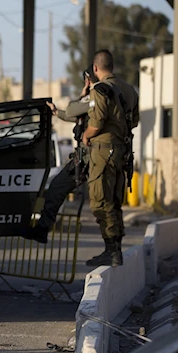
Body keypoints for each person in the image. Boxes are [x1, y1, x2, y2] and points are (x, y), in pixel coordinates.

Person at [22, 66, 98, 244]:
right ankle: (42, 229)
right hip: (91, 157)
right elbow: (76, 117)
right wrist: (56, 112)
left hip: (91, 157)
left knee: (59, 188)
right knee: (58, 188)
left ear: (88, 80)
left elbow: (73, 110)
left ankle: (112, 248)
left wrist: (82, 95)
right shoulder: (104, 98)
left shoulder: (96, 96)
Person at [81, 50, 139, 267]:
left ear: (96, 69)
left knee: (99, 201)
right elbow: (134, 122)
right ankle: (116, 249)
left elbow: (95, 124)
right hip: (121, 152)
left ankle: (111, 250)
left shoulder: (100, 89)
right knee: (114, 201)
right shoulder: (129, 90)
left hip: (103, 152)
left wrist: (86, 136)